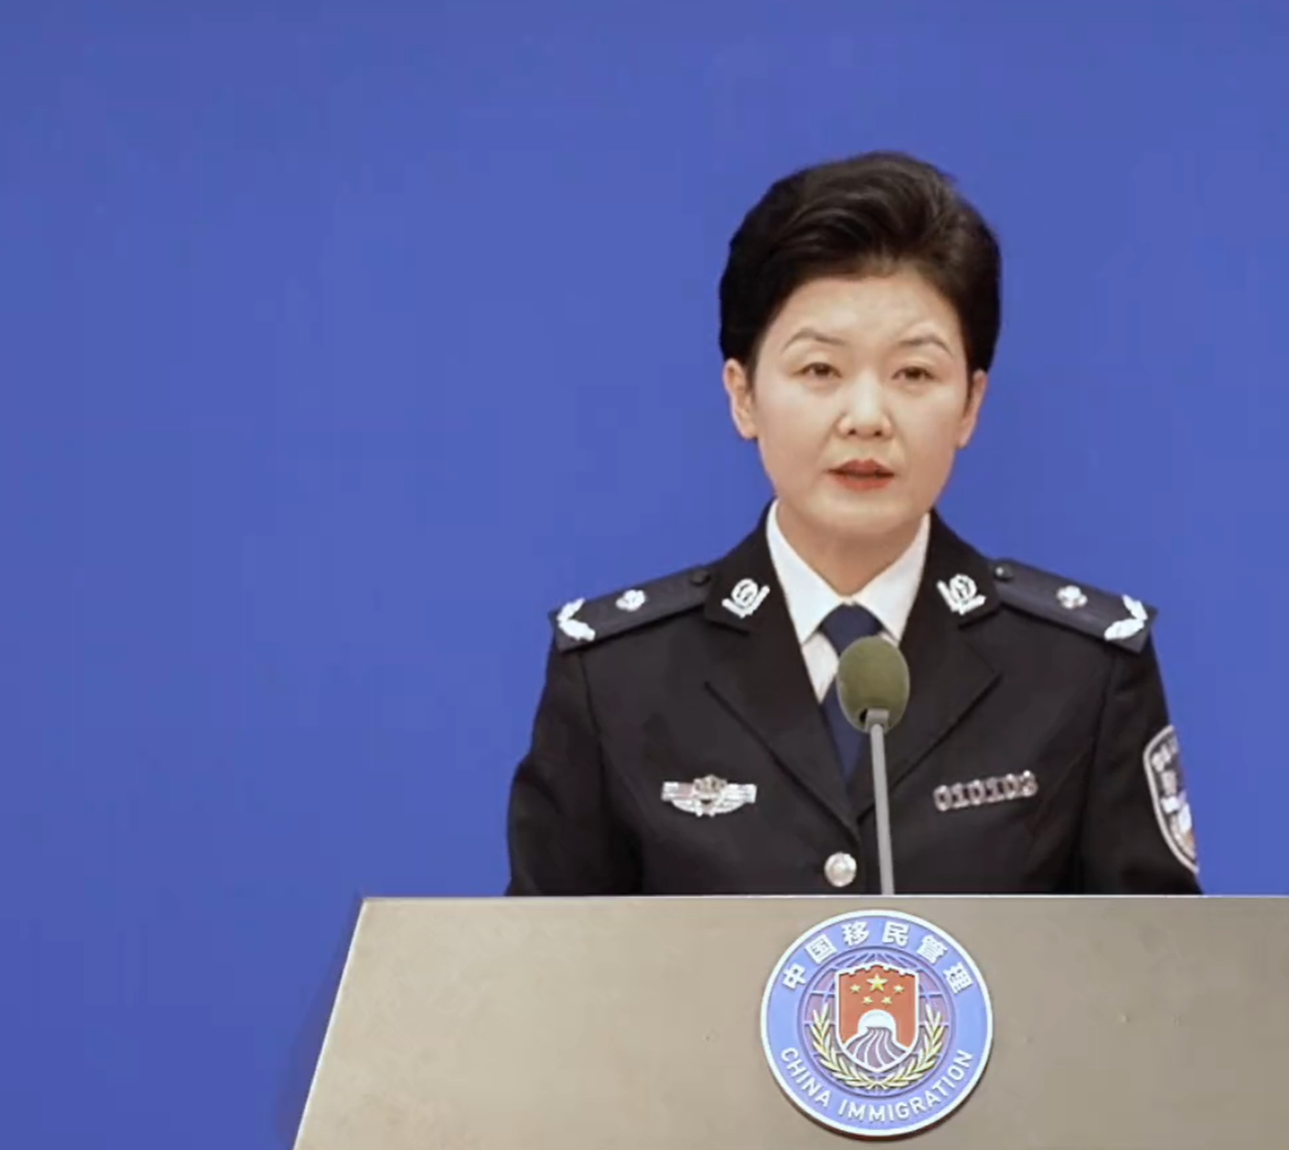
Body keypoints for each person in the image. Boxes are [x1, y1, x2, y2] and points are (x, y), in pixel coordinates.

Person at [504, 151, 1200, 897]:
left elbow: (1154, 961)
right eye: (820, 371)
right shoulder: (616, 679)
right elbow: (549, 965)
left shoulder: (1082, 673)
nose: (866, 418)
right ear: (743, 395)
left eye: (913, 374)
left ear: (970, 404)